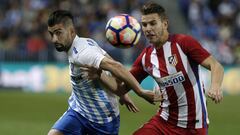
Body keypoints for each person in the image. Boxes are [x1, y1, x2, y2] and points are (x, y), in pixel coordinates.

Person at [82, 1, 224, 135]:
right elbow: (122, 88)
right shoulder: (146, 57)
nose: (148, 29)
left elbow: (215, 65)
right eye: (144, 25)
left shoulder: (184, 43)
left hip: (194, 127)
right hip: (164, 122)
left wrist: (216, 86)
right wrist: (99, 75)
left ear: (165, 24)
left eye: (152, 23)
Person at [47, 10, 160, 135]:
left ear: (72, 31)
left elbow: (115, 66)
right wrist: (123, 94)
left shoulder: (83, 53)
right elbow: (110, 60)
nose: (54, 39)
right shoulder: (85, 42)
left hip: (103, 120)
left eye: (58, 33)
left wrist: (140, 91)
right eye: (51, 34)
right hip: (78, 112)